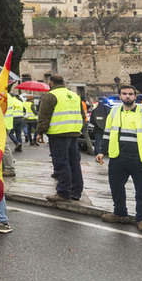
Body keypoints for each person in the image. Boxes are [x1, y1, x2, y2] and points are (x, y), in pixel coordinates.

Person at [95, 84, 142, 233]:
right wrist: (101, 151)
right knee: (116, 187)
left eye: (130, 94)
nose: (128, 96)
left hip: (139, 159)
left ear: (135, 97)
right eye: (124, 94)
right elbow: (107, 133)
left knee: (141, 191)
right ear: (120, 96)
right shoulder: (114, 112)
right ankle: (120, 213)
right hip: (118, 157)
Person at [35, 74, 84, 202]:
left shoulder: (50, 96)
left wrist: (40, 132)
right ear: (63, 82)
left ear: (51, 83)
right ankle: (76, 191)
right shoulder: (74, 95)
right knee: (74, 163)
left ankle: (63, 192)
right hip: (74, 132)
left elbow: (44, 116)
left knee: (61, 163)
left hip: (58, 134)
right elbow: (82, 115)